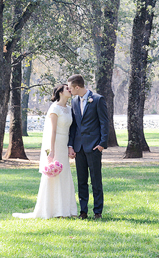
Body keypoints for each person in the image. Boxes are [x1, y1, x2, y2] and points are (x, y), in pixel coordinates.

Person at [13, 84, 77, 219]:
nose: (70, 90)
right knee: (54, 176)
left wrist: (70, 147)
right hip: (56, 143)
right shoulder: (54, 108)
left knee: (64, 175)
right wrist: (51, 152)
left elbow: (72, 130)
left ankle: (65, 210)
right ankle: (51, 210)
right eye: (67, 89)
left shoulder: (70, 109)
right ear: (60, 92)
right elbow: (51, 131)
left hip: (64, 143)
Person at [67, 73, 109, 220]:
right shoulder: (74, 102)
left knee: (96, 181)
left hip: (94, 147)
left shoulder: (97, 99)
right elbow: (73, 127)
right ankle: (83, 211)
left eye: (71, 88)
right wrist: (71, 145)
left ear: (77, 87)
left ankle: (98, 211)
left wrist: (102, 144)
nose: (69, 90)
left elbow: (104, 122)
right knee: (81, 181)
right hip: (79, 148)